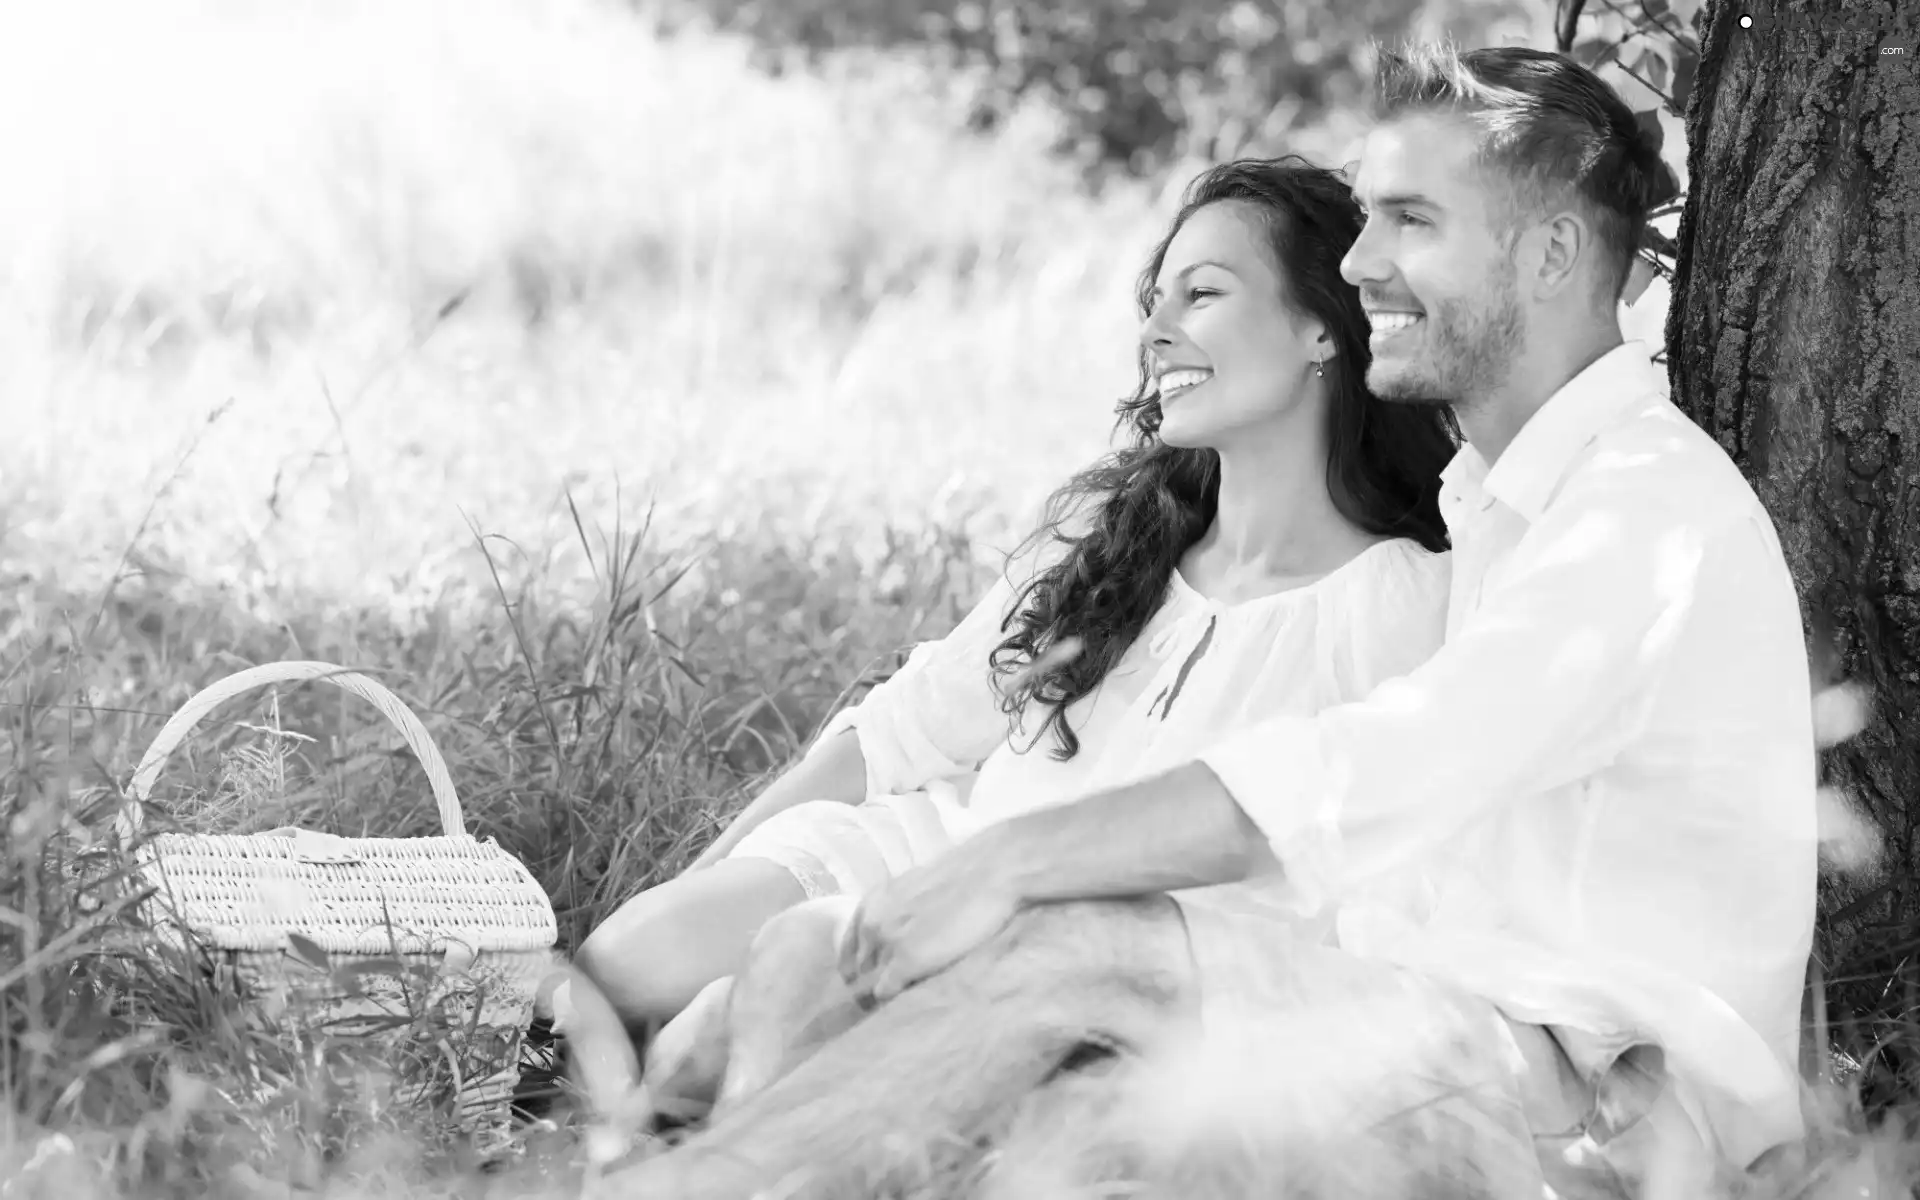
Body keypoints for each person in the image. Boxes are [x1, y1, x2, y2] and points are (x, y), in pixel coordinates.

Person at [603, 41, 1820, 1200]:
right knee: (936, 1020)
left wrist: (1009, 865)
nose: (1355, 264)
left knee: (1081, 952)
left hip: (1601, 1120)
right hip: (1434, 1031)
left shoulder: (1641, 513)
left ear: (1553, 253)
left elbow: (1383, 766)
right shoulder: (1492, 500)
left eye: (1412, 221)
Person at [569, 156, 1461, 1056]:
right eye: (1156, 299)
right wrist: (695, 882)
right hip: (939, 858)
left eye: (1203, 294)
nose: (1155, 331)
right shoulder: (1114, 530)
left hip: (1083, 964)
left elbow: (1370, 892)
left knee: (723, 1034)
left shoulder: (1401, 604)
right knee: (631, 962)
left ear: (1322, 328)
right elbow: (899, 733)